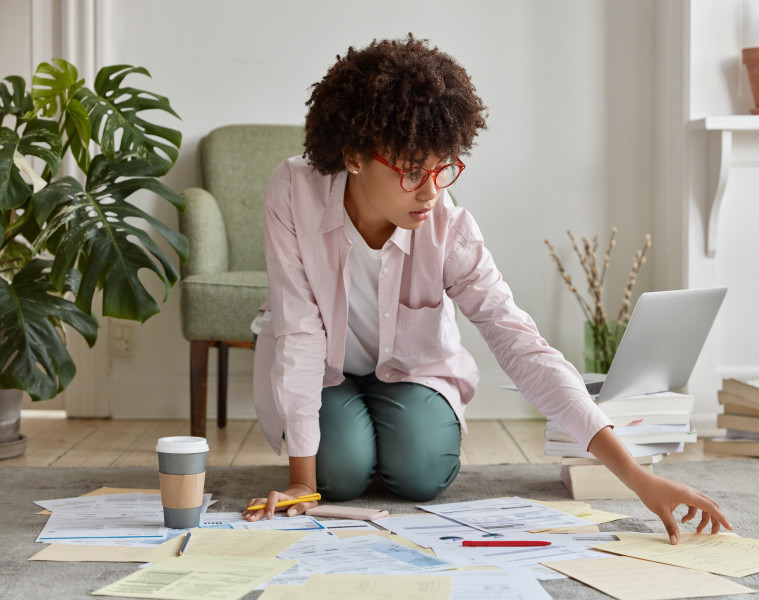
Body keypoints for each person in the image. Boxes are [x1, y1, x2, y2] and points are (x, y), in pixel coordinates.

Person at [243, 34, 731, 545]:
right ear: (355, 157)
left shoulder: (449, 228)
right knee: (337, 474)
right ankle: (344, 445)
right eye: (412, 172)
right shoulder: (292, 191)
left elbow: (521, 344)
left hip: (410, 373)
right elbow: (299, 333)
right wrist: (301, 482)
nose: (432, 191)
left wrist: (638, 478)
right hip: (322, 371)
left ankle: (379, 436)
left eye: (442, 168)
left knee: (419, 472)